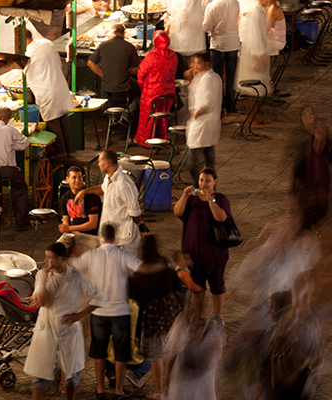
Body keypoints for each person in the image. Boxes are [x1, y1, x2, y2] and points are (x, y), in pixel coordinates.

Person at [68, 223, 142, 399]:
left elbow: (72, 266)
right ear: (114, 237)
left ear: (101, 237)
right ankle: (118, 390)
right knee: (121, 354)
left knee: (98, 352)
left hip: (98, 312)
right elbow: (141, 269)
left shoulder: (92, 255)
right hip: (120, 312)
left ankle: (100, 390)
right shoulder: (123, 254)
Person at [23, 243, 104, 400]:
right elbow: (42, 302)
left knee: (72, 375)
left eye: (49, 258)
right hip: (46, 328)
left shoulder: (76, 277)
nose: (46, 261)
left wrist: (80, 315)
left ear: (61, 259)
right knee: (40, 375)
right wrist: (45, 280)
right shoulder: (42, 275)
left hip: (68, 328)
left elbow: (98, 297)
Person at [128, 235, 192, 399]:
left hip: (151, 315)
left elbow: (135, 295)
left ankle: (159, 391)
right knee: (174, 348)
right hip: (170, 309)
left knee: (155, 356)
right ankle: (173, 386)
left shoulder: (138, 272)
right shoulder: (166, 264)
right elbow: (177, 286)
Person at [173, 168, 231, 321]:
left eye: (207, 180)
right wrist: (184, 195)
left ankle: (218, 317)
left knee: (216, 285)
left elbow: (221, 218)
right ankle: (200, 317)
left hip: (214, 254)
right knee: (197, 287)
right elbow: (178, 212)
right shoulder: (192, 199)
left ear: (215, 182)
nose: (203, 184)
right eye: (201, 180)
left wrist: (210, 200)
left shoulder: (220, 199)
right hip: (194, 255)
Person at [74, 150, 143, 255]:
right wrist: (84, 191)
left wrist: (138, 223)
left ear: (107, 163)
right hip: (110, 237)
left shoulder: (123, 184)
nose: (98, 165)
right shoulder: (108, 177)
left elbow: (134, 212)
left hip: (123, 239)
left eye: (99, 162)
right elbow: (102, 189)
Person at [24, 29, 75, 157]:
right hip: (59, 86)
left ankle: (61, 153)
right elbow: (58, 62)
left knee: (53, 122)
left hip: (46, 91)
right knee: (63, 119)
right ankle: (68, 150)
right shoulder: (47, 43)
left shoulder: (28, 53)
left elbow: (19, 72)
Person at [185, 52, 222, 185]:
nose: (195, 66)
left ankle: (199, 186)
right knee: (209, 159)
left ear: (207, 64)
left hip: (203, 124)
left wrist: (195, 114)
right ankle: (211, 186)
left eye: (198, 63)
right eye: (193, 63)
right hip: (209, 124)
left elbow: (207, 102)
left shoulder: (207, 78)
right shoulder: (211, 77)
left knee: (194, 161)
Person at [135, 31, 177, 147]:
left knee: (148, 117)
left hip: (153, 94)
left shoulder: (151, 57)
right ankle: (161, 138)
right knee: (163, 118)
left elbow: (141, 74)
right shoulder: (173, 55)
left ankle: (145, 140)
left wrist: (143, 87)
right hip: (169, 94)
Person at [236, 0, 272, 126]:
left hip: (254, 52)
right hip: (254, 54)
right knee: (253, 90)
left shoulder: (258, 10)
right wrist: (259, 55)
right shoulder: (255, 12)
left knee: (255, 90)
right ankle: (253, 118)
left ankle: (253, 116)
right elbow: (254, 36)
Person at [87, 24, 139, 109]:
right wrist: (127, 71)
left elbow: (90, 63)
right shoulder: (130, 47)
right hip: (124, 86)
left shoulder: (103, 45)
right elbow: (136, 70)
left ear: (114, 33)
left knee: (106, 88)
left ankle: (109, 114)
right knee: (140, 88)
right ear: (124, 33)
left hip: (107, 85)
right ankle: (127, 114)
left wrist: (102, 75)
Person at [203, 0, 240, 114]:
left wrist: (204, 18)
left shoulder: (212, 6)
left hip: (218, 43)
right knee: (231, 75)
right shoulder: (235, 3)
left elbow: (206, 27)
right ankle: (230, 104)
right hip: (233, 42)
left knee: (217, 77)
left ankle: (218, 104)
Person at [59, 166, 101, 236]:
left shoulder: (92, 197)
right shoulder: (64, 198)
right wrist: (65, 233)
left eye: (80, 177)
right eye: (74, 177)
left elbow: (93, 224)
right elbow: (66, 222)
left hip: (91, 235)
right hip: (74, 233)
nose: (77, 180)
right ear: (67, 179)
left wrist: (70, 228)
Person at [167, 0, 206, 76]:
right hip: (185, 31)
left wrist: (180, 15)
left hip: (188, 32)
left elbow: (185, 10)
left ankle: (187, 85)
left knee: (188, 67)